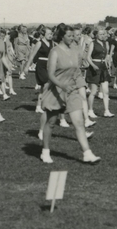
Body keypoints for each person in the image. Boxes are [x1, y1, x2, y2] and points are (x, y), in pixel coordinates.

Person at [38, 24, 102, 164]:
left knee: (79, 122)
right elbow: (50, 74)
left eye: (73, 35)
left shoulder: (75, 50)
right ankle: (45, 151)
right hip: (56, 90)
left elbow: (77, 70)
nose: (73, 38)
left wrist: (79, 84)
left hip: (72, 90)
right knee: (51, 122)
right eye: (69, 36)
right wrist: (62, 85)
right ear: (61, 36)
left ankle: (87, 153)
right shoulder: (55, 51)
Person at [85, 25, 115, 119]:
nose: (102, 36)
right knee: (94, 91)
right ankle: (90, 111)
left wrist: (107, 64)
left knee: (106, 91)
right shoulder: (92, 43)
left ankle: (106, 111)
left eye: (103, 34)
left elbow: (106, 56)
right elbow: (88, 57)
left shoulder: (106, 43)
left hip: (103, 68)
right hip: (95, 67)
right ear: (96, 35)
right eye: (100, 34)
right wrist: (93, 66)